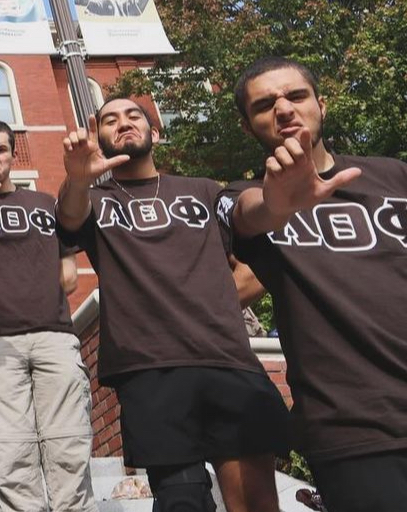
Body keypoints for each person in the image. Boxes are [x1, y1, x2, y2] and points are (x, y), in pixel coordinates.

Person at [57, 96, 288, 512]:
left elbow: (254, 265)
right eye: (110, 120)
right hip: (148, 368)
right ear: (100, 138)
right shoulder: (92, 200)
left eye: (133, 116)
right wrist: (76, 179)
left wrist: (206, 302)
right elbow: (68, 218)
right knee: (181, 501)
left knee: (255, 502)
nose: (123, 123)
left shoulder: (203, 190)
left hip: (226, 359)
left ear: (155, 132)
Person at [216, 56, 407, 512]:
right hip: (354, 431)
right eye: (265, 105)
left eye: (296, 95)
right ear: (247, 126)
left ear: (321, 104)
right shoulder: (237, 197)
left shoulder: (394, 176)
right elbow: (249, 214)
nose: (284, 108)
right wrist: (277, 204)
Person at [0, 120, 95, 512]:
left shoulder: (45, 204)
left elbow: (69, 267)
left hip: (54, 336)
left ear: (13, 154)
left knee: (69, 448)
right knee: (11, 457)